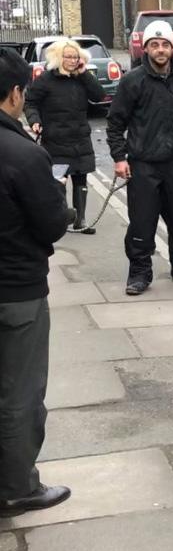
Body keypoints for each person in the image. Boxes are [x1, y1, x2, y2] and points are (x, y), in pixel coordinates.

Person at [0, 47, 74, 517]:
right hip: (16, 295)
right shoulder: (25, 155)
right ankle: (17, 488)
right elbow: (51, 224)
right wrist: (61, 201)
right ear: (13, 94)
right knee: (19, 396)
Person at [106, 20, 173, 295]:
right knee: (142, 221)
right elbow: (115, 122)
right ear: (146, 48)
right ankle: (140, 272)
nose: (160, 50)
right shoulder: (134, 80)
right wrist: (120, 158)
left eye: (165, 44)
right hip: (143, 166)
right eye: (154, 45)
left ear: (171, 47)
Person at [24, 38, 106, 234]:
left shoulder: (82, 77)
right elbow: (31, 102)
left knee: (81, 179)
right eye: (68, 57)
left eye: (75, 57)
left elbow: (99, 95)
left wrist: (85, 74)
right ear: (59, 58)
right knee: (58, 181)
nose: (72, 60)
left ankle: (80, 220)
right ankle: (59, 220)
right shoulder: (45, 79)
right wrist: (34, 120)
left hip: (80, 139)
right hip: (55, 140)